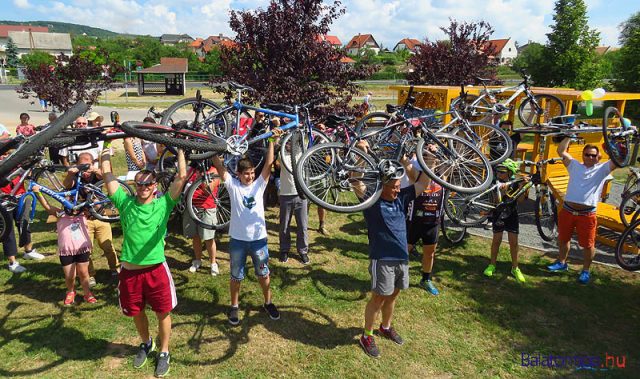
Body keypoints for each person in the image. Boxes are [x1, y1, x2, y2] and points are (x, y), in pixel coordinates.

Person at [101, 141, 187, 377]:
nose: (143, 187)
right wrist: (106, 146)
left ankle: (164, 351)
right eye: (139, 183)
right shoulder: (125, 203)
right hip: (129, 271)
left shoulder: (163, 204)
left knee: (163, 312)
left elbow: (181, 176)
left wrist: (179, 148)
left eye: (148, 183)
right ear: (135, 185)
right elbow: (107, 174)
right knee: (136, 311)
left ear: (155, 186)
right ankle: (146, 342)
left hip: (156, 269)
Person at [353, 142, 432, 358]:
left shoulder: (402, 197)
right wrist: (361, 152)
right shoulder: (371, 200)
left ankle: (385, 327)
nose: (398, 189)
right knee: (378, 298)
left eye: (399, 185)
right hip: (382, 257)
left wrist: (420, 159)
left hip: (401, 257)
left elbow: (424, 182)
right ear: (383, 185)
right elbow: (354, 180)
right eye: (394, 186)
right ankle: (366, 336)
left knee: (394, 295)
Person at [212, 127, 283, 326]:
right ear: (239, 174)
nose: (250, 176)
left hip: (259, 240)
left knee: (263, 272)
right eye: (246, 174)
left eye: (252, 173)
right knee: (236, 275)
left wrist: (272, 140)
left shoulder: (258, 185)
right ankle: (234, 306)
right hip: (238, 241)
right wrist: (213, 149)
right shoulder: (233, 186)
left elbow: (268, 164)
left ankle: (268, 302)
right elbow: (219, 167)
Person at [547, 138, 616, 284]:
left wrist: (616, 144)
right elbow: (561, 151)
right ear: (583, 155)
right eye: (587, 155)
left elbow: (618, 160)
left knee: (588, 245)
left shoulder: (602, 169)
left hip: (587, 215)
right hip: (567, 210)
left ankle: (585, 270)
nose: (590, 157)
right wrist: (569, 135)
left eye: (593, 155)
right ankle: (562, 263)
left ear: (598, 157)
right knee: (563, 239)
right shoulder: (574, 165)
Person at [33, 185, 97, 305]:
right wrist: (38, 193)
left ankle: (87, 292)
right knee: (70, 276)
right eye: (66, 200)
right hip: (66, 251)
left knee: (84, 273)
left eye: (72, 199)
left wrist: (89, 193)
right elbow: (47, 206)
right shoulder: (60, 214)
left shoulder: (84, 213)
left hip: (82, 249)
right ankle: (71, 292)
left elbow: (97, 205)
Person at [62, 152, 120, 284]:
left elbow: (110, 181)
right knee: (87, 250)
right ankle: (91, 274)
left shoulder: (97, 175)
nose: (85, 169)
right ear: (77, 164)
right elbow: (66, 185)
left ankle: (115, 269)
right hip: (84, 219)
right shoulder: (76, 176)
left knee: (107, 246)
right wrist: (71, 173)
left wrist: (95, 170)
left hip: (100, 217)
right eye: (82, 164)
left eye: (88, 164)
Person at [483, 160, 528, 283]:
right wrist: (501, 192)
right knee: (496, 240)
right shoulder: (495, 183)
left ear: (509, 173)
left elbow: (521, 201)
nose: (498, 173)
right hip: (498, 214)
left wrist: (521, 187)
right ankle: (492, 264)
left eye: (502, 172)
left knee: (513, 243)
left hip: (512, 214)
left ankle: (515, 268)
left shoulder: (515, 183)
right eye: (497, 171)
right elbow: (495, 201)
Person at [406, 179, 444, 295]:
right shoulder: (418, 173)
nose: (432, 160)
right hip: (414, 221)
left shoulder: (442, 176)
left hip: (433, 222)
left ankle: (426, 279)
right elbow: (409, 168)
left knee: (430, 253)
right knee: (403, 251)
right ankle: (395, 276)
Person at [184, 166, 219, 276]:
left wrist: (202, 176)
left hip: (207, 207)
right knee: (195, 236)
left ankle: (213, 263)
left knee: (208, 238)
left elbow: (208, 190)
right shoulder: (192, 169)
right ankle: (197, 260)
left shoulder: (213, 170)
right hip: (191, 207)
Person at [278, 151, 309, 264]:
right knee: (284, 226)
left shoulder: (302, 151)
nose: (290, 143)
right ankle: (284, 250)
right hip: (285, 194)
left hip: (301, 194)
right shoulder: (281, 153)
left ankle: (303, 251)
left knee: (303, 225)